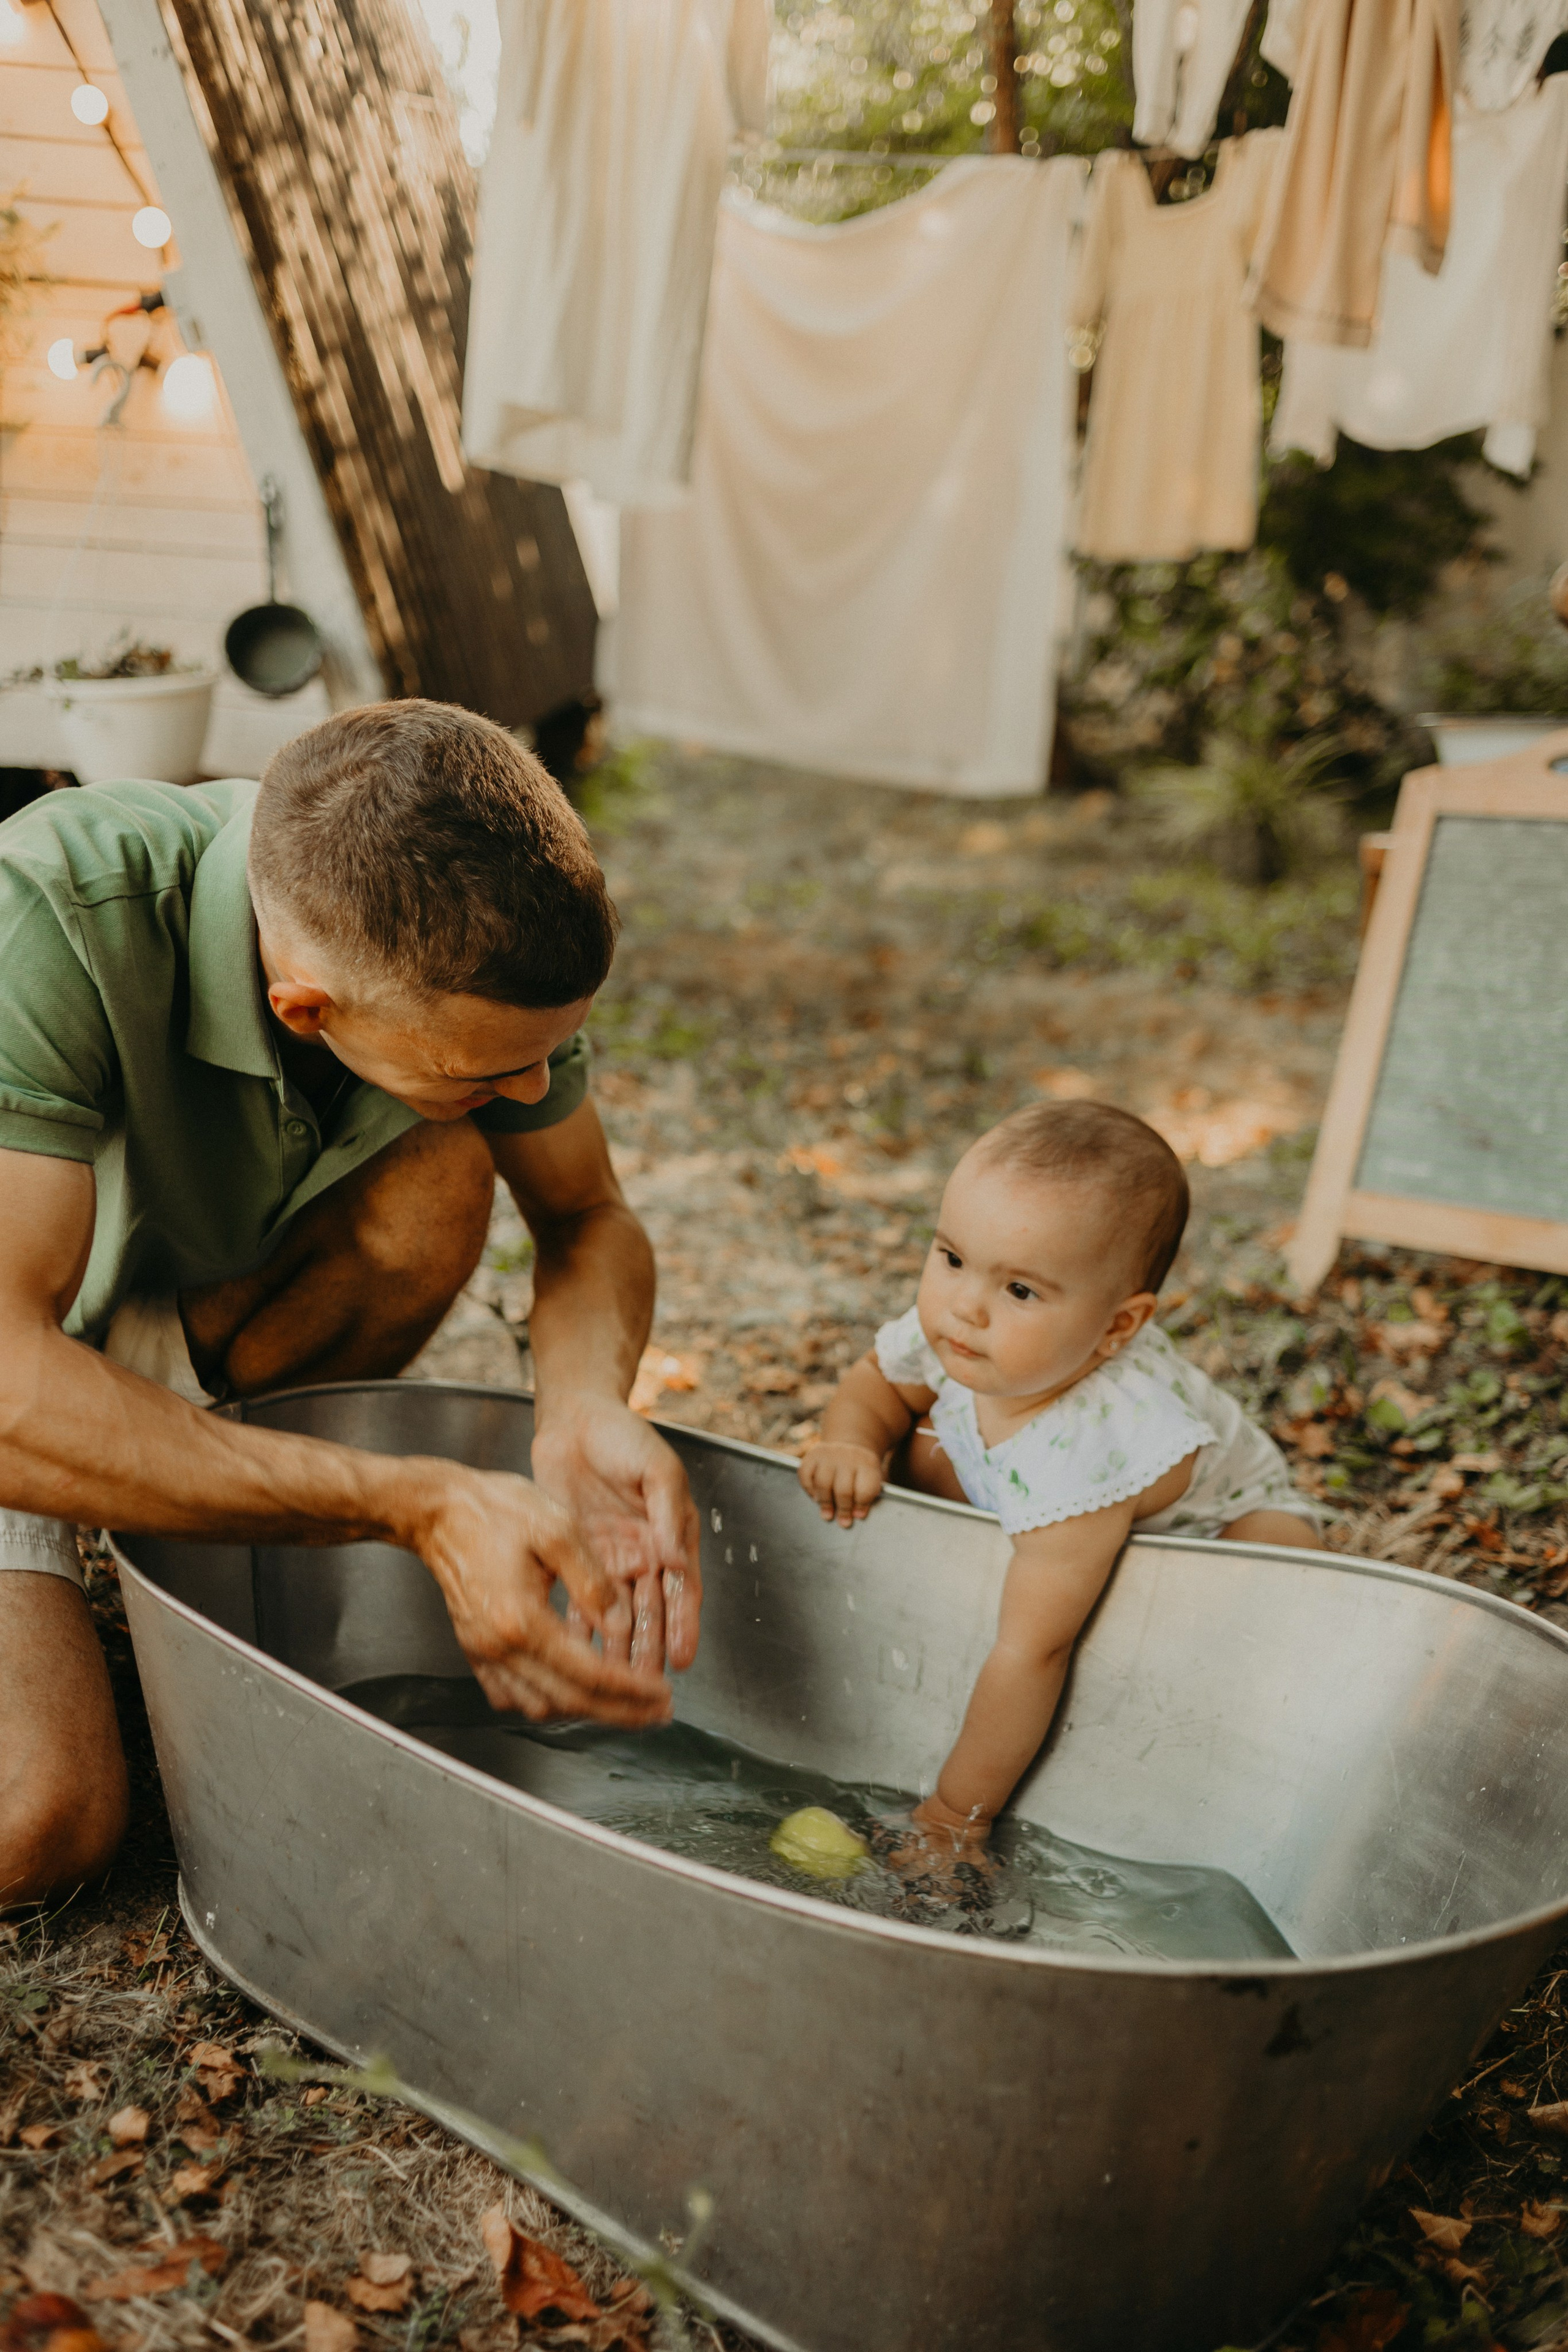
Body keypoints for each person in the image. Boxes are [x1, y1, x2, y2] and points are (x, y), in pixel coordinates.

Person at [0, 700, 701, 1908]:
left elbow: (587, 1216)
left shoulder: (467, 956)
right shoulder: (48, 911)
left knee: (444, 1166)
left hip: (116, 1322)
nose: (537, 1088)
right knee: (38, 1824)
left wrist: (584, 1404)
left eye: (548, 1053)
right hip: (14, 1371)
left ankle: (157, 1489)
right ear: (306, 1007)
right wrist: (411, 1502)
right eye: (489, 1069)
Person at [798, 1101, 1319, 1858]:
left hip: (1222, 1522)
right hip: (1041, 1488)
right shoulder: (965, 1332)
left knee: (1267, 1587)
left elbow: (1032, 1654)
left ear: (1116, 1327)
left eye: (1020, 1291)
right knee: (921, 1442)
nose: (965, 1307)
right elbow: (879, 1380)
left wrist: (955, 1815)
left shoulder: (1085, 1446)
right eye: (951, 1257)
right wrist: (849, 1440)